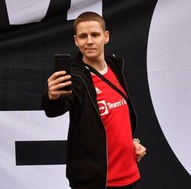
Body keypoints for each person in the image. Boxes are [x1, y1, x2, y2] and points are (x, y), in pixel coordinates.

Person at [42, 11, 146, 189]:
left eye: (95, 35)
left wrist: (133, 141)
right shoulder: (75, 77)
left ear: (106, 37)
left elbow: (118, 116)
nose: (89, 41)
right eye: (83, 36)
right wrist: (52, 97)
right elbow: (56, 108)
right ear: (76, 41)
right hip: (95, 181)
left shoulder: (115, 66)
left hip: (130, 175)